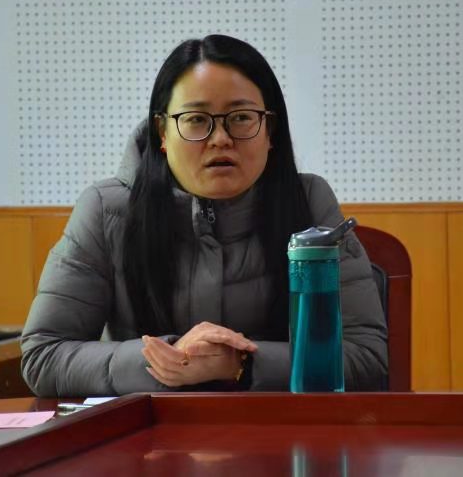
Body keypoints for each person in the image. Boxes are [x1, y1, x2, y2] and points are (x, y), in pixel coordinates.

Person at [21, 34, 388, 397]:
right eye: (196, 119)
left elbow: (366, 357)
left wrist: (240, 364)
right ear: (162, 132)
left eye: (241, 118)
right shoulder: (106, 210)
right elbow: (44, 356)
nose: (220, 139)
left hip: (276, 428)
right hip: (149, 431)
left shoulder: (309, 203)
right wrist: (170, 359)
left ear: (270, 131)